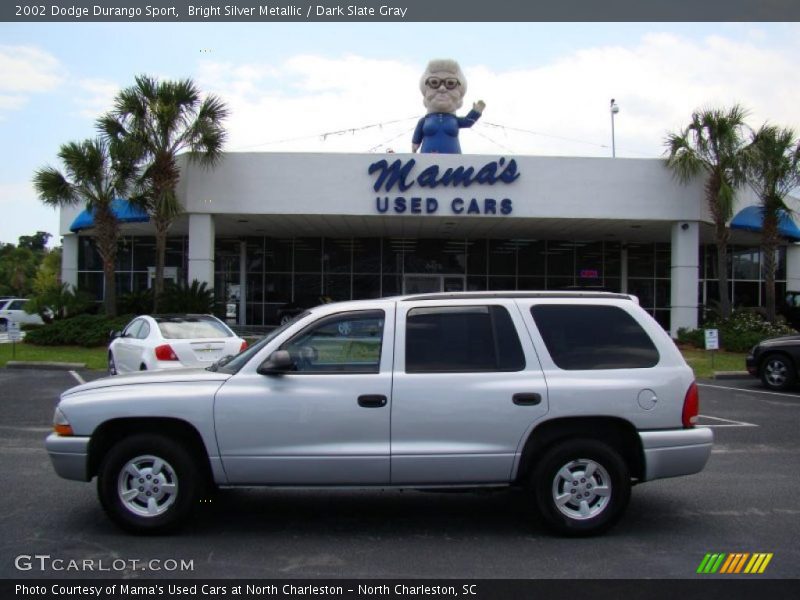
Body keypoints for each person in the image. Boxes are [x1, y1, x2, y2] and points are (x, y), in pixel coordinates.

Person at [411, 59, 485, 154]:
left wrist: (476, 112)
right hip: (427, 162)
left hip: (453, 163)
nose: (442, 88)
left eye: (450, 83)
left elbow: (467, 122)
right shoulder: (424, 121)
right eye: (434, 82)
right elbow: (416, 140)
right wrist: (414, 147)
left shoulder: (455, 120)